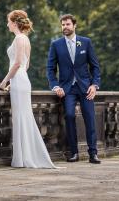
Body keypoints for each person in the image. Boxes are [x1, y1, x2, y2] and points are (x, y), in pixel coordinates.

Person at [0, 9, 57, 168]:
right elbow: (26, 64)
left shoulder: (18, 39)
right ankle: (26, 156)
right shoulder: (26, 39)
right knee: (24, 116)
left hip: (19, 80)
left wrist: (5, 81)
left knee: (20, 117)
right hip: (23, 80)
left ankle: (22, 157)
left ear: (14, 23)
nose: (7, 24)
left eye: (8, 22)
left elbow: (17, 63)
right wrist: (15, 80)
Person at [46, 14, 101, 164]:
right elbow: (50, 69)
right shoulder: (56, 45)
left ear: (74, 25)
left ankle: (93, 154)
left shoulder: (86, 42)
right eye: (63, 25)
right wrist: (55, 85)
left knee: (90, 118)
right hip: (67, 88)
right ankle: (74, 152)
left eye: (68, 24)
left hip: (85, 88)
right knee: (69, 116)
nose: (65, 27)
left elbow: (95, 67)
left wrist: (94, 85)